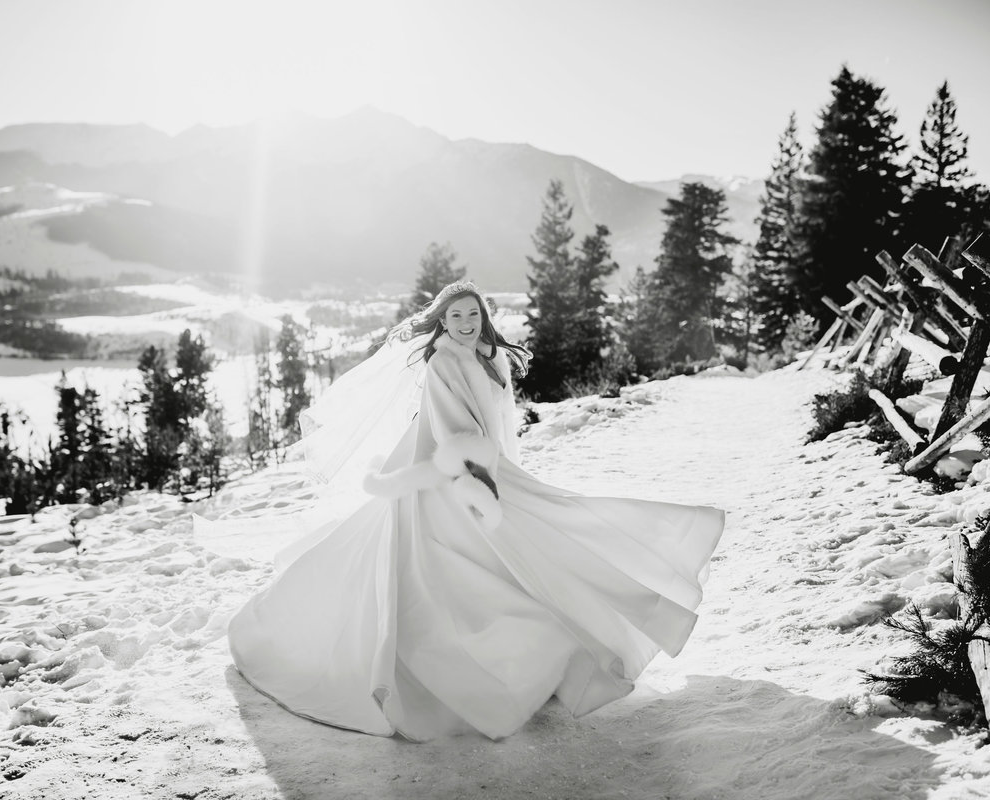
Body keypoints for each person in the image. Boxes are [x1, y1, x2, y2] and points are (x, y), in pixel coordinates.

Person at [227, 281, 724, 742]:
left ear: (483, 317)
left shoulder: (488, 358)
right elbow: (449, 431)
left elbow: (498, 423)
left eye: (473, 313)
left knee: (530, 544)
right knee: (464, 561)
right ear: (442, 322)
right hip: (450, 472)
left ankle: (558, 651)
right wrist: (483, 475)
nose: (465, 321)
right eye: (456, 315)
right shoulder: (444, 363)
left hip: (484, 466)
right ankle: (518, 663)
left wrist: (506, 469)